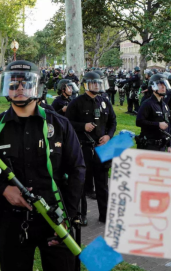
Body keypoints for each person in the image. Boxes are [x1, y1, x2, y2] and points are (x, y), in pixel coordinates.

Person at [0, 60, 85, 271]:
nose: (19, 88)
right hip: (11, 221)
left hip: (55, 219)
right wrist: (3, 189)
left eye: (26, 82)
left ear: (38, 87)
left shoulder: (59, 125)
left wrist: (68, 216)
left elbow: (77, 170)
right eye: (13, 83)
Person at [66, 71, 117, 225]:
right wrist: (83, 126)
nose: (96, 86)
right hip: (84, 148)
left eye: (98, 83)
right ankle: (81, 215)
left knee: (102, 184)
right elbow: (66, 124)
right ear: (86, 84)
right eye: (93, 83)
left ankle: (104, 214)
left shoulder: (104, 101)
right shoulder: (76, 103)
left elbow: (113, 122)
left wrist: (108, 136)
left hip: (102, 148)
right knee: (81, 184)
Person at [136, 74, 171, 152]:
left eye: (164, 84)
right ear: (153, 87)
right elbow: (139, 122)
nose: (163, 87)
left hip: (161, 146)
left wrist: (169, 145)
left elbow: (167, 125)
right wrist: (158, 124)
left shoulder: (164, 105)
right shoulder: (147, 103)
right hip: (149, 145)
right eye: (160, 85)